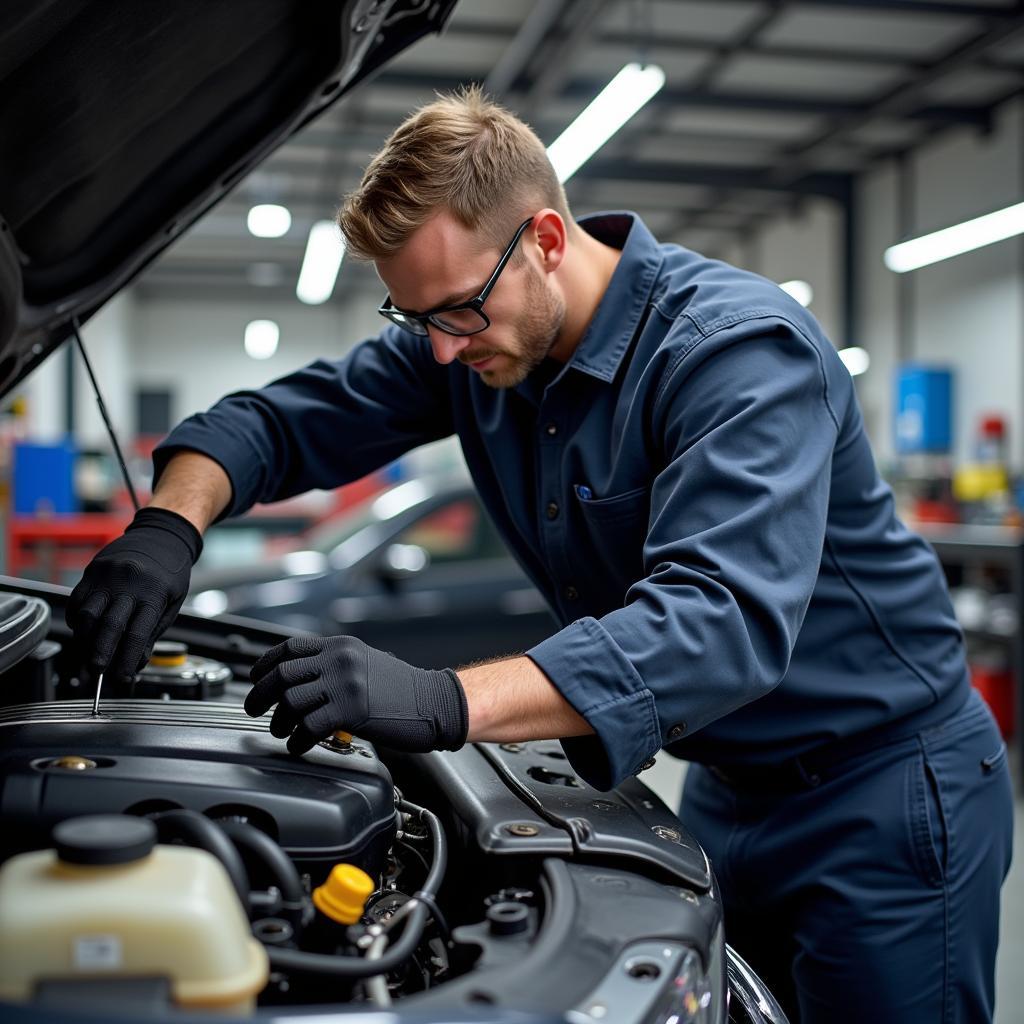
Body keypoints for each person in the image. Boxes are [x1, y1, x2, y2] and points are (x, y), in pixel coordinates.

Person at [67, 87, 1013, 1022]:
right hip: (729, 784)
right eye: (417, 320)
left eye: (456, 312)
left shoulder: (734, 354)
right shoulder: (479, 333)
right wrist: (169, 528)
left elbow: (716, 624)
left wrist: (443, 700)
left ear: (547, 242)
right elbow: (268, 424)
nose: (439, 353)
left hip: (884, 789)